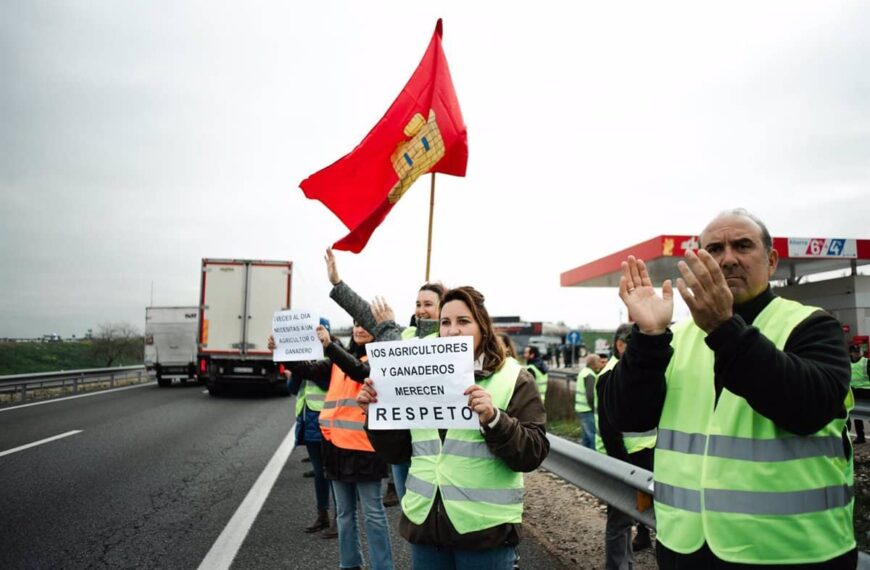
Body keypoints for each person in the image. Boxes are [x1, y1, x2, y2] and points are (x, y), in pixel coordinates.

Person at [604, 208, 855, 568]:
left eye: (742, 246)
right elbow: (625, 415)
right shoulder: (675, 338)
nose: (728, 259)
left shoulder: (811, 326)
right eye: (715, 250)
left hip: (792, 552)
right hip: (686, 548)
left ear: (771, 261)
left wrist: (725, 328)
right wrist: (649, 337)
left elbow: (808, 408)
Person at [358, 286, 549, 569]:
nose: (453, 331)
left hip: (484, 532)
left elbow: (533, 453)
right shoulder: (418, 374)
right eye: (445, 322)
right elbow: (395, 453)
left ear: (482, 326)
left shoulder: (513, 377)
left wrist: (495, 419)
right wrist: (375, 414)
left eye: (463, 321)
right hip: (426, 527)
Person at [324, 247, 444, 505]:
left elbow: (407, 366)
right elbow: (368, 315)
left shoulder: (449, 341)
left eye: (428, 304)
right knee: (409, 509)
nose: (421, 310)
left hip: (435, 445)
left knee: (433, 509)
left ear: (443, 308)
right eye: (418, 303)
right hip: (402, 439)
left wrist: (387, 327)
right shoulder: (406, 334)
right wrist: (337, 283)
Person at [273, 322, 394, 570]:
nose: (360, 329)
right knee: (344, 514)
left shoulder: (382, 358)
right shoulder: (339, 360)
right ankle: (349, 564)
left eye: (366, 325)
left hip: (365, 447)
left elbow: (360, 371)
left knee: (373, 514)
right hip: (336, 445)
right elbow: (310, 371)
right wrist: (281, 354)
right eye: (357, 325)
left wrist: (330, 347)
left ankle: (383, 566)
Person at [596, 324, 656, 566]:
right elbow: (609, 430)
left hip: (646, 454)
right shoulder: (610, 374)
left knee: (643, 514)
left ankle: (635, 551)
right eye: (636, 343)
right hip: (624, 459)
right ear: (621, 345)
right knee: (620, 520)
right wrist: (624, 467)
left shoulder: (634, 371)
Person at [273, 317, 338, 537]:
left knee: (333, 472)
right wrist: (298, 365)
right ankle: (322, 515)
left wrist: (306, 365)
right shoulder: (305, 358)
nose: (316, 338)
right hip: (308, 420)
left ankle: (340, 519)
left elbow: (325, 383)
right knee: (320, 472)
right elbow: (292, 388)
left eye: (319, 333)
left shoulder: (334, 357)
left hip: (329, 420)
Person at [575, 354, 601, 450]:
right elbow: (590, 396)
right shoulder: (590, 375)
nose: (600, 364)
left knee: (586, 438)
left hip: (581, 409)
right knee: (593, 436)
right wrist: (595, 409)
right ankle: (594, 461)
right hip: (587, 410)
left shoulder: (584, 372)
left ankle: (584, 460)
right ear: (593, 363)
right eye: (599, 361)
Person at [849, 343, 870, 444]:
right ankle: (860, 437)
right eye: (855, 352)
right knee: (857, 416)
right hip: (854, 392)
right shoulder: (848, 363)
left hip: (866, 392)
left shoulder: (866, 362)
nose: (857, 353)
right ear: (851, 353)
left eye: (859, 351)